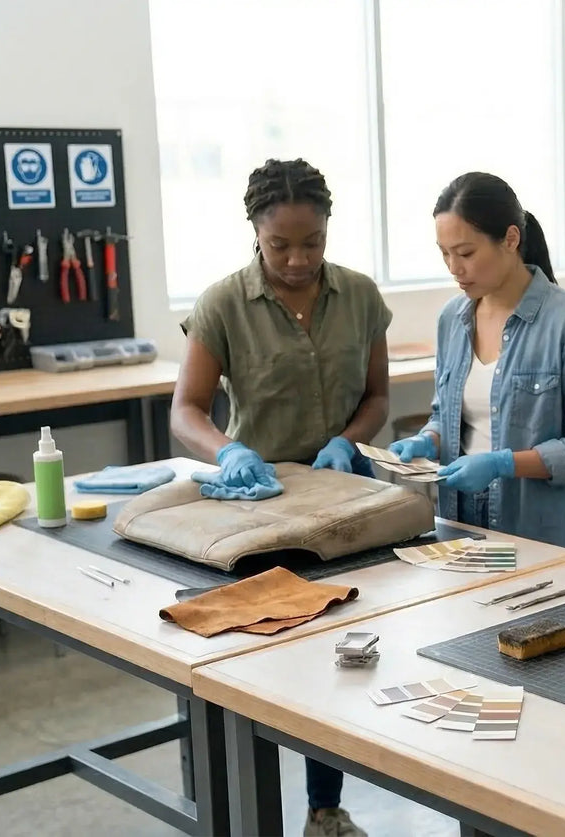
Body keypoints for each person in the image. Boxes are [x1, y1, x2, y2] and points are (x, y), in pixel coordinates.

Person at [171, 158, 389, 837]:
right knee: (263, 656)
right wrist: (228, 451)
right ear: (255, 233)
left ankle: (325, 810)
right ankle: (242, 809)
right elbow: (186, 410)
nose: (298, 259)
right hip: (257, 510)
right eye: (280, 245)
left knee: (343, 652)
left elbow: (378, 396)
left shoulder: (359, 296)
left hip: (346, 505)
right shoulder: (222, 304)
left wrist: (348, 440)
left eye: (312, 243)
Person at [388, 172, 565, 552]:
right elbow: (447, 416)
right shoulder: (452, 319)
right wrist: (428, 440)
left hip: (544, 537)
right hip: (461, 531)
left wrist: (503, 464)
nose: (454, 268)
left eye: (466, 253)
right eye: (444, 253)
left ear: (510, 239)